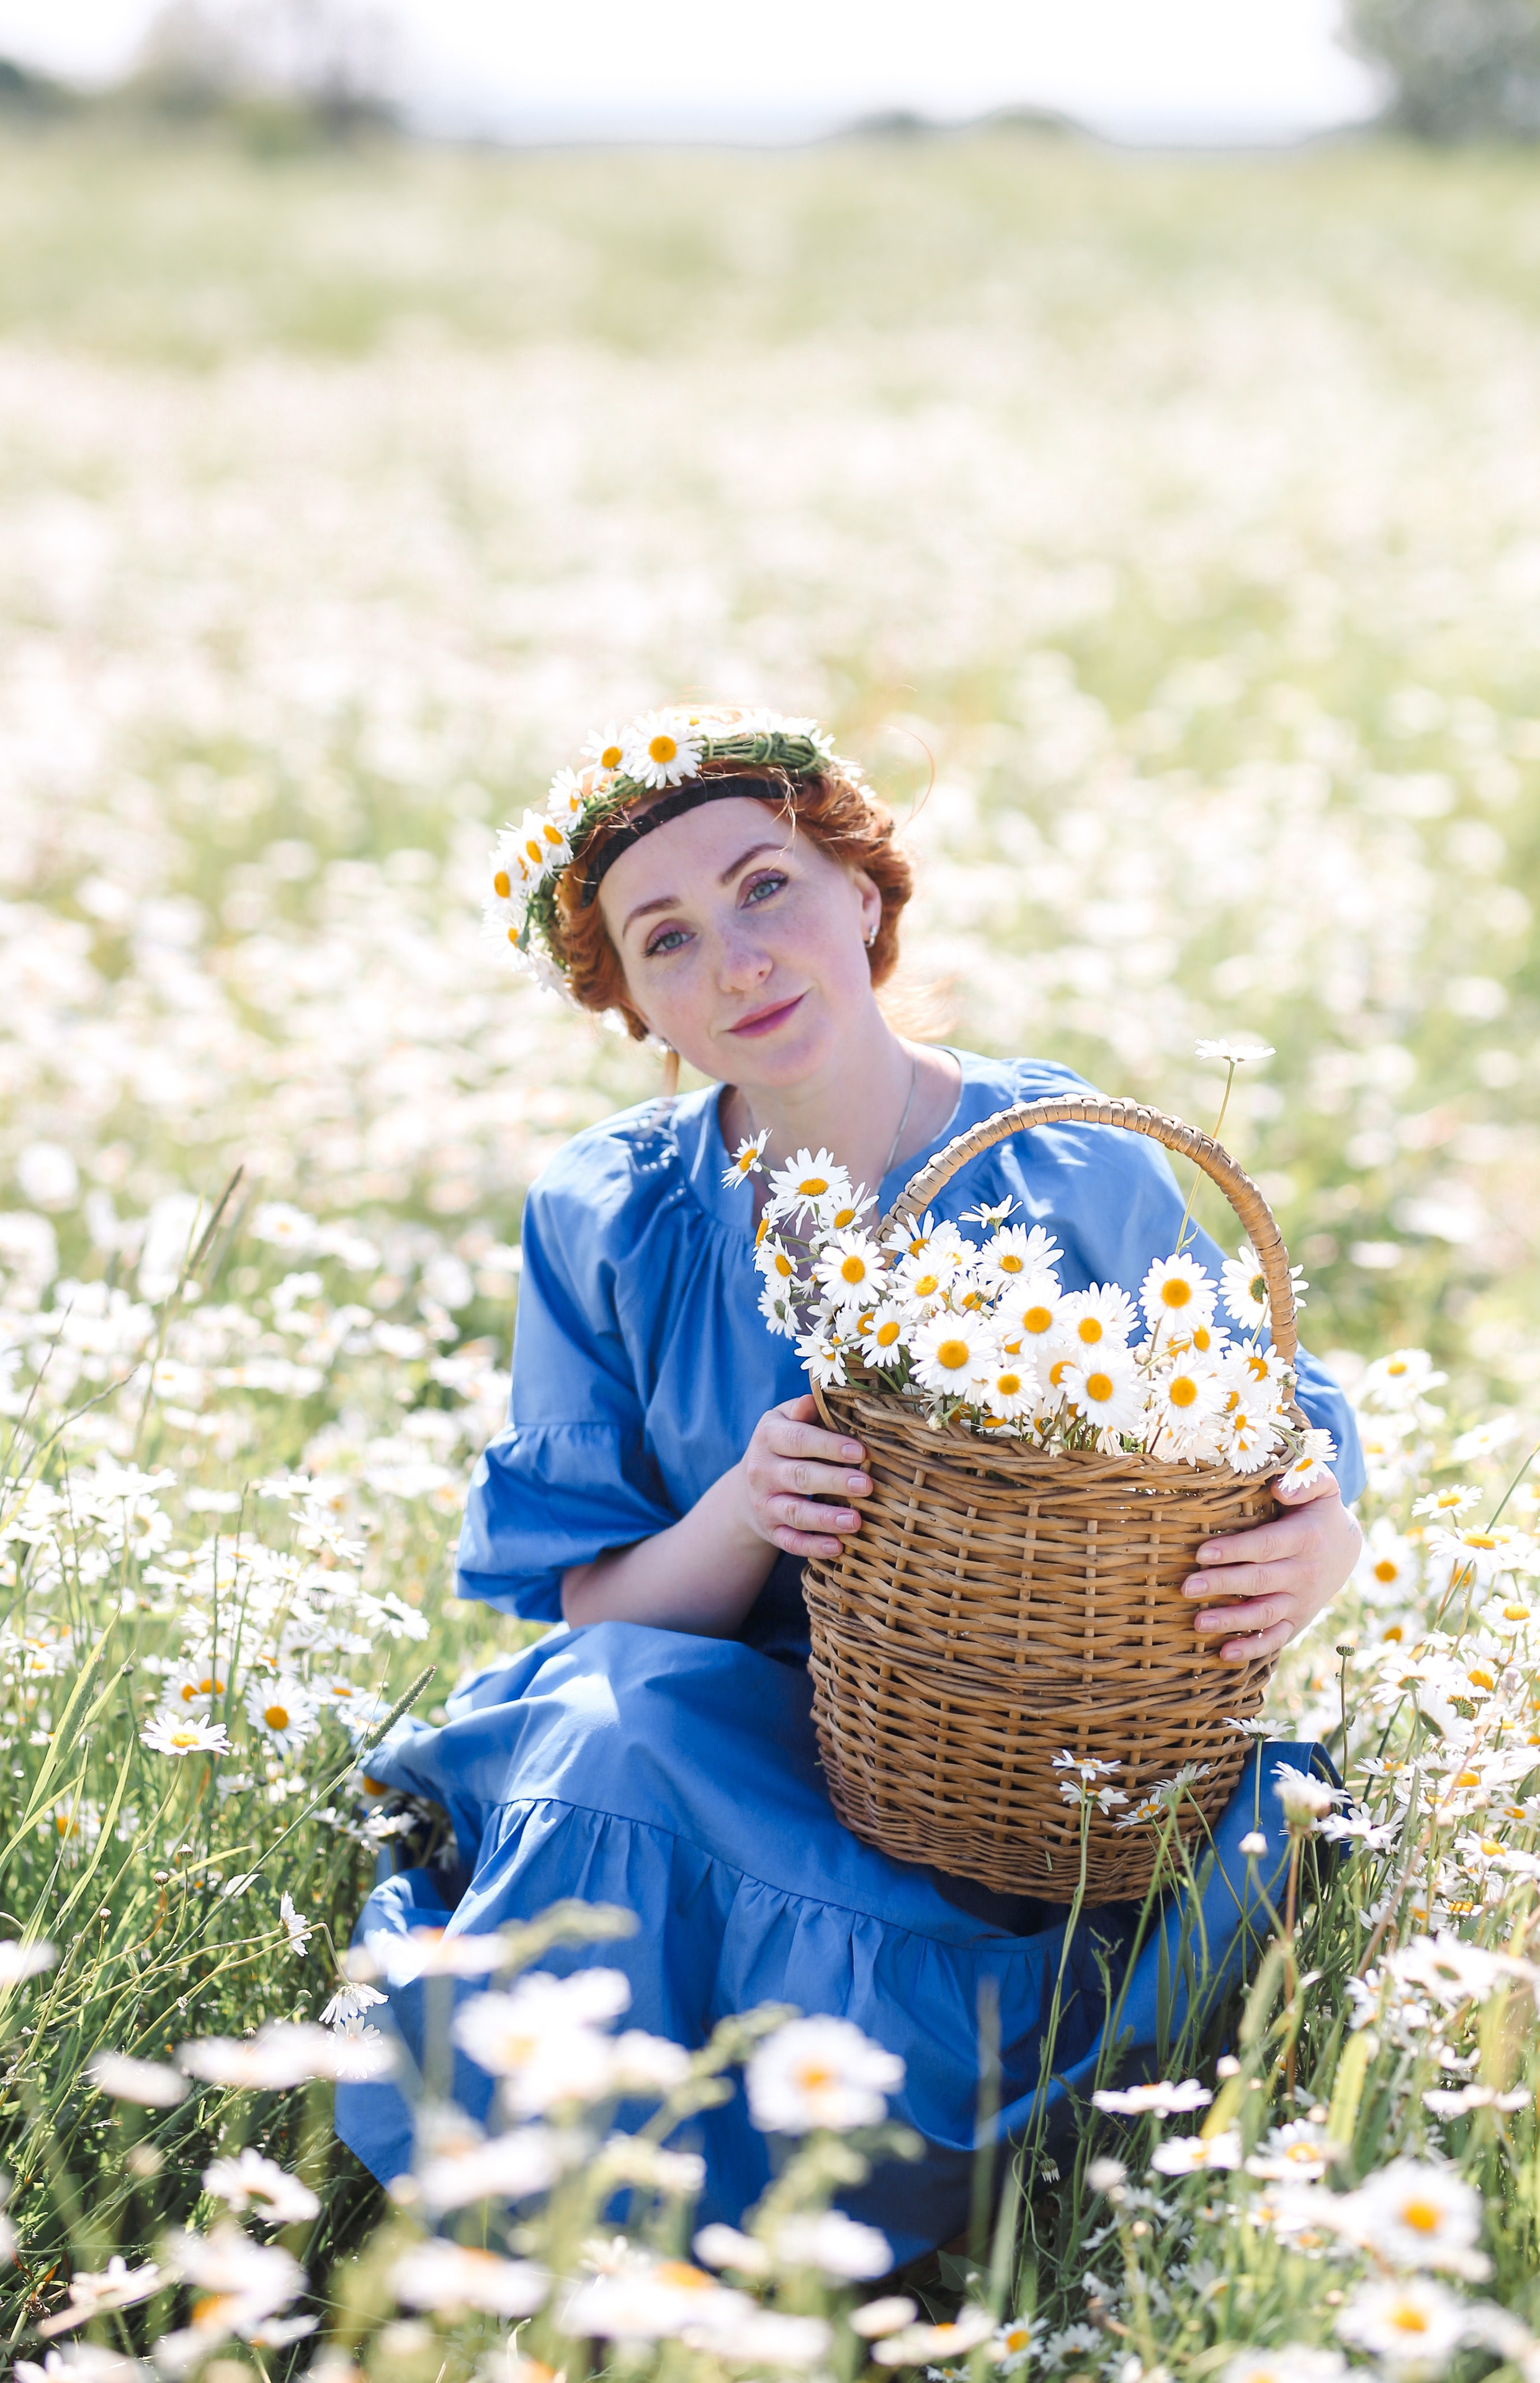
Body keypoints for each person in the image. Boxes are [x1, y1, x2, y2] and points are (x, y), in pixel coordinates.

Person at [337, 708, 1364, 2257]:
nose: (735, 960)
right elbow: (597, 1606)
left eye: (766, 889)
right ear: (630, 1005)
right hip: (728, 1740)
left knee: (989, 1874)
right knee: (613, 1716)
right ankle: (574, 2220)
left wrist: (1315, 1537)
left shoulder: (1063, 1162)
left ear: (863, 897)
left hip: (1016, 1756)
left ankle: (851, 2193)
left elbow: (1258, 1418)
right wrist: (744, 1508)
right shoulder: (609, 1211)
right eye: (665, 939)